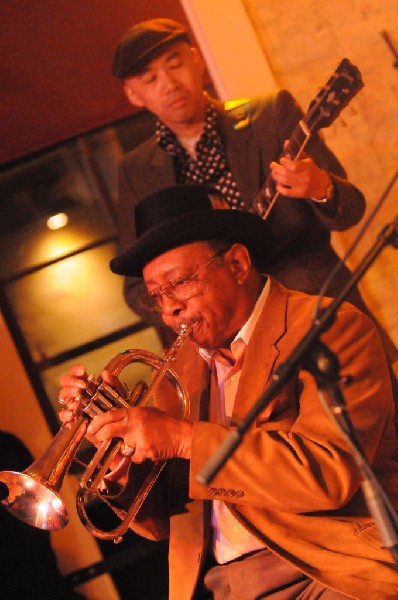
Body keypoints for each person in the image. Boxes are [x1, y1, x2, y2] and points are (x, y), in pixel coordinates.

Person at [59, 184, 398, 599]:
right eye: (156, 296)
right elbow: (162, 522)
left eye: (180, 283)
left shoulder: (330, 327)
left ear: (237, 264)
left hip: (328, 571)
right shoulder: (176, 371)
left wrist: (182, 438)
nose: (169, 309)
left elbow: (328, 475)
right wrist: (117, 453)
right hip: (220, 587)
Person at [110, 17, 372, 349]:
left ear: (197, 60)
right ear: (133, 94)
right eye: (150, 79)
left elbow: (351, 210)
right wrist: (182, 304)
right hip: (234, 352)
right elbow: (136, 288)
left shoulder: (270, 115)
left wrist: (321, 187)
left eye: (175, 65)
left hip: (322, 316)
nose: (169, 84)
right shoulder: (135, 170)